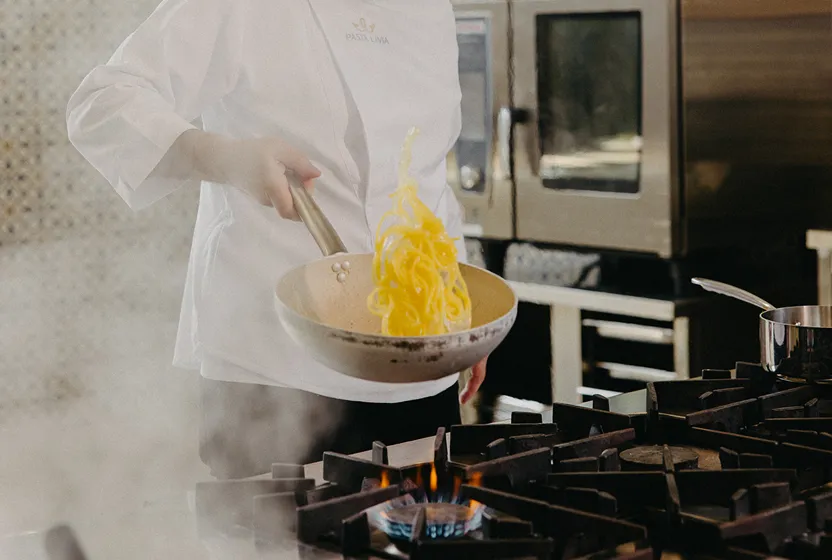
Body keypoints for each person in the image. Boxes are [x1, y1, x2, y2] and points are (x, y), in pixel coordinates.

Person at [66, 0, 488, 479]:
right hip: (278, 368)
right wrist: (223, 158)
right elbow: (100, 104)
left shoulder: (430, 10)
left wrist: (458, 307)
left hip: (420, 367)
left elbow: (425, 177)